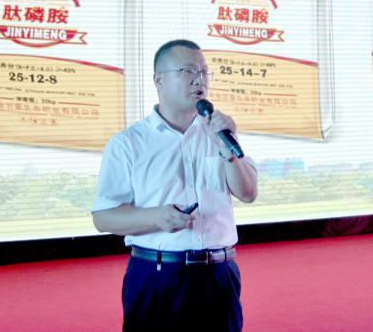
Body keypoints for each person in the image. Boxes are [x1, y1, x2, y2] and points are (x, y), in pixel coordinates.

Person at [92, 39, 258, 332]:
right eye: (188, 71)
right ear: (159, 80)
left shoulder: (219, 132)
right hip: (157, 275)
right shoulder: (129, 143)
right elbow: (103, 217)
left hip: (219, 274)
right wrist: (156, 217)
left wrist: (228, 151)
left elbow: (248, 193)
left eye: (204, 72)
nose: (199, 80)